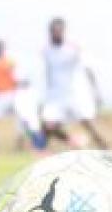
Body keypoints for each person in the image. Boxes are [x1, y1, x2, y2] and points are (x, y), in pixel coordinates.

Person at [40, 17, 107, 149]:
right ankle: (69, 142)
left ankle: (106, 150)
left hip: (75, 93)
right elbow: (48, 70)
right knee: (47, 126)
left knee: (87, 123)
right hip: (55, 96)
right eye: (53, 31)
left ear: (63, 31)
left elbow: (88, 70)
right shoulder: (46, 50)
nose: (55, 34)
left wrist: (96, 92)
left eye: (58, 31)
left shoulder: (74, 48)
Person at [0, 39, 46, 154]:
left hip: (13, 95)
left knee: (26, 121)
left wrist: (21, 86)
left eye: (2, 47)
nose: (0, 49)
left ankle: (38, 146)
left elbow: (21, 79)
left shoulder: (12, 63)